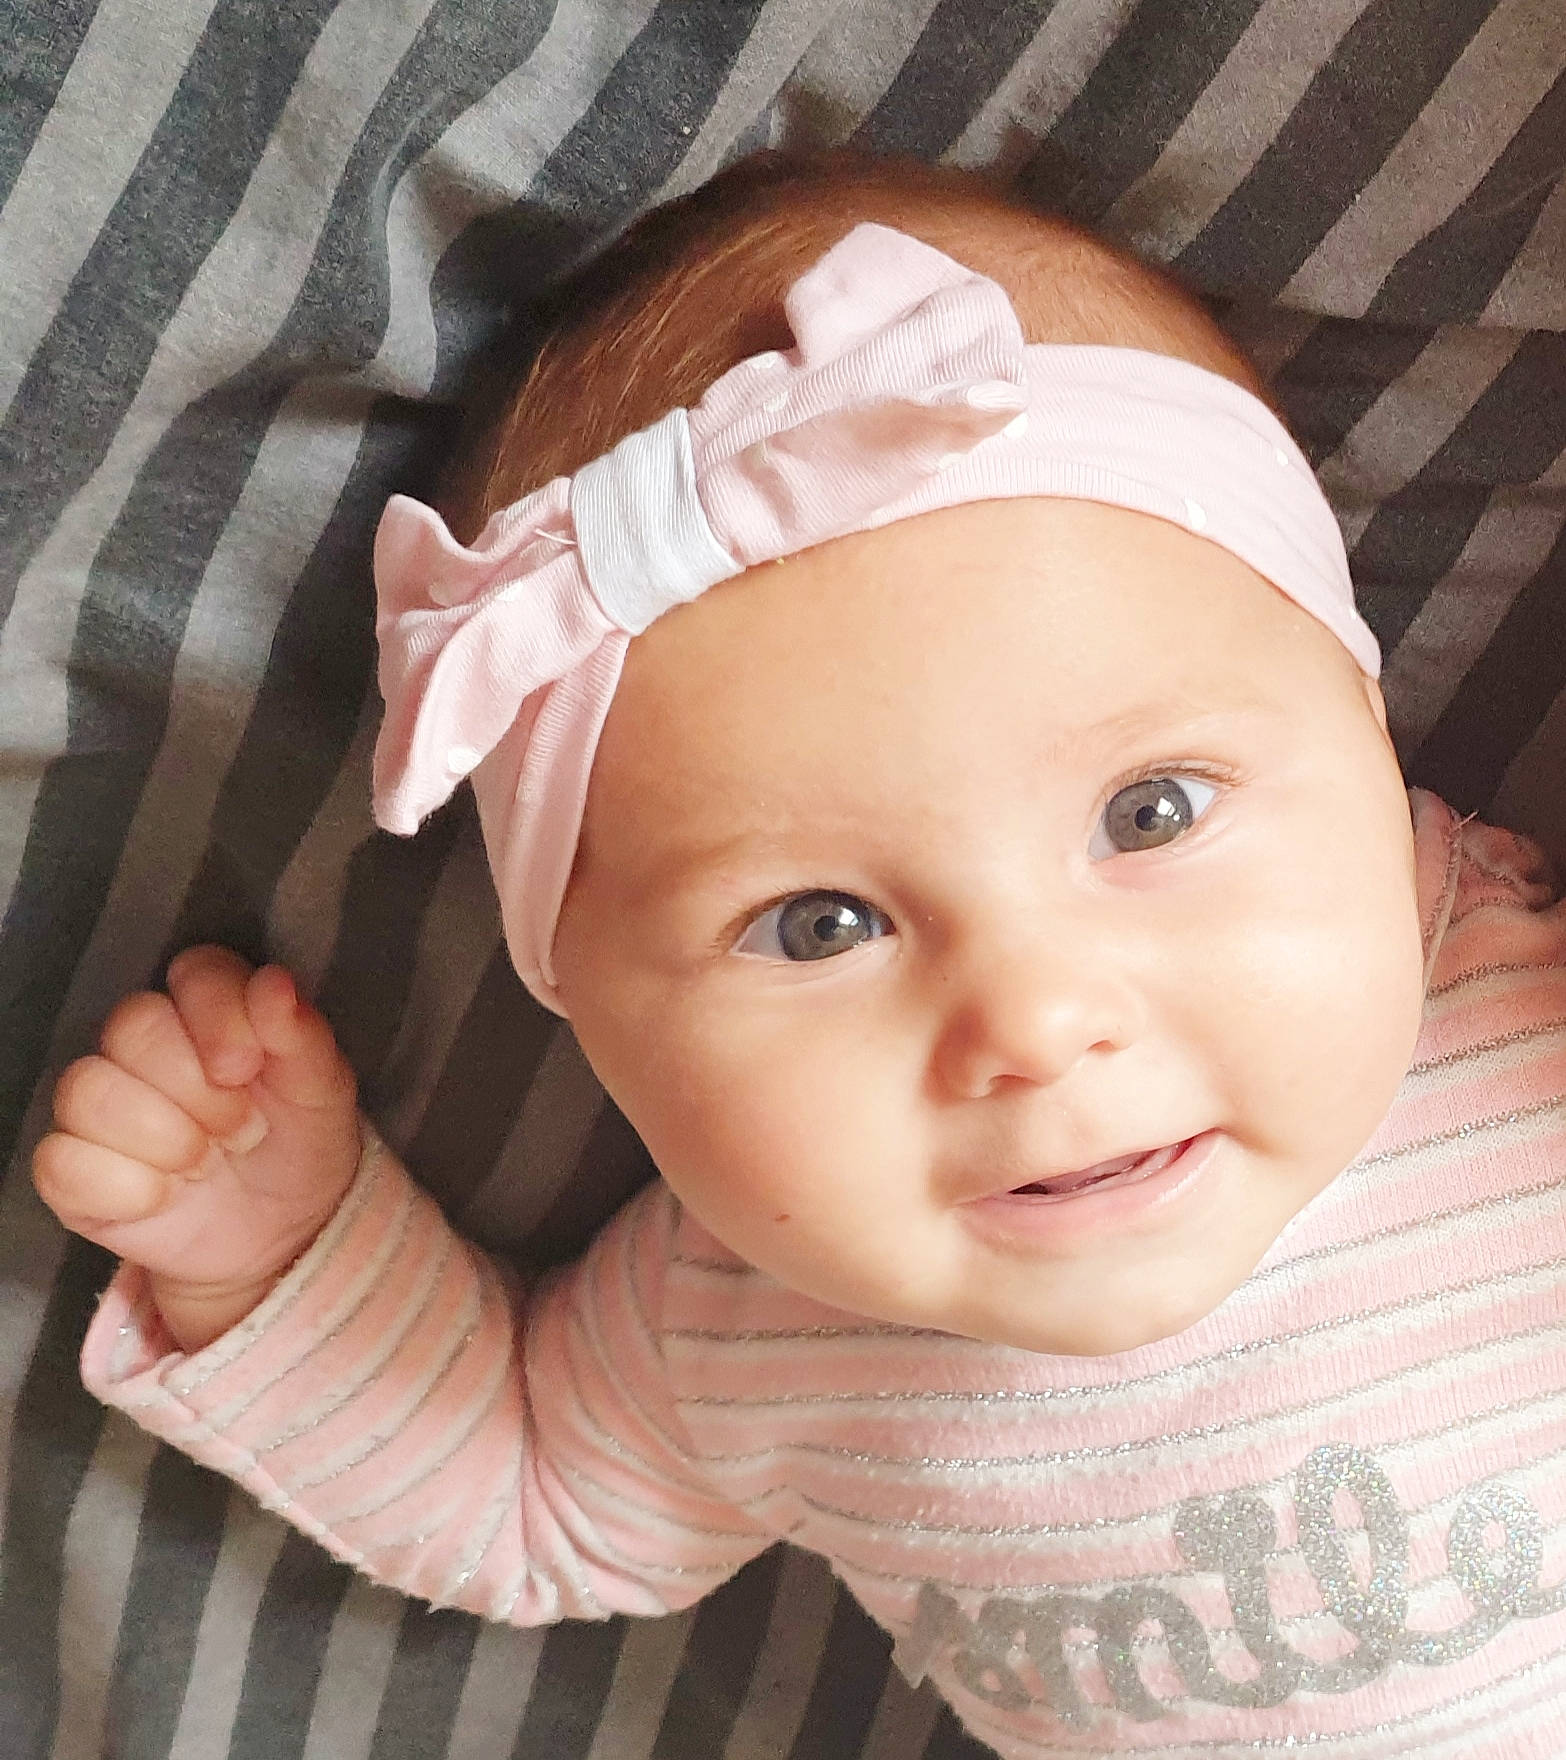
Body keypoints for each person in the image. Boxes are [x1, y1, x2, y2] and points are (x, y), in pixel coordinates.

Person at [30, 155, 1566, 1754]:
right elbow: (529, 1500)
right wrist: (278, 1252)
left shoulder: (1520, 1026)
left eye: (1151, 812)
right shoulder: (740, 1326)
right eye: (818, 926)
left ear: (1369, 747)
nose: (1034, 1022)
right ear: (592, 1015)